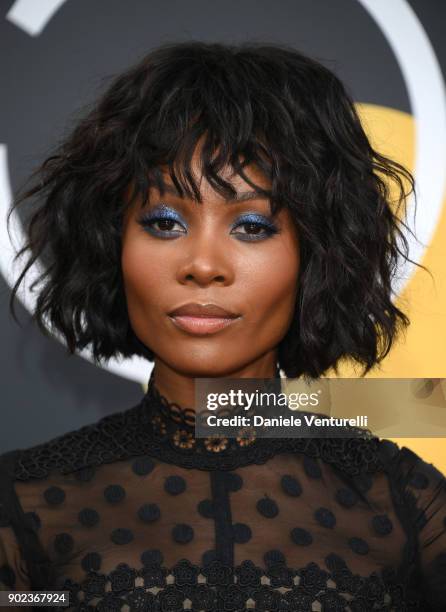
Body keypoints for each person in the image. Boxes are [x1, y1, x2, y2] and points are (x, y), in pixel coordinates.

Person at [0, 41, 445, 611]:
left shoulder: (409, 507)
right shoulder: (26, 505)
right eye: (164, 222)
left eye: (253, 227)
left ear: (318, 256)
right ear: (111, 244)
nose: (203, 264)